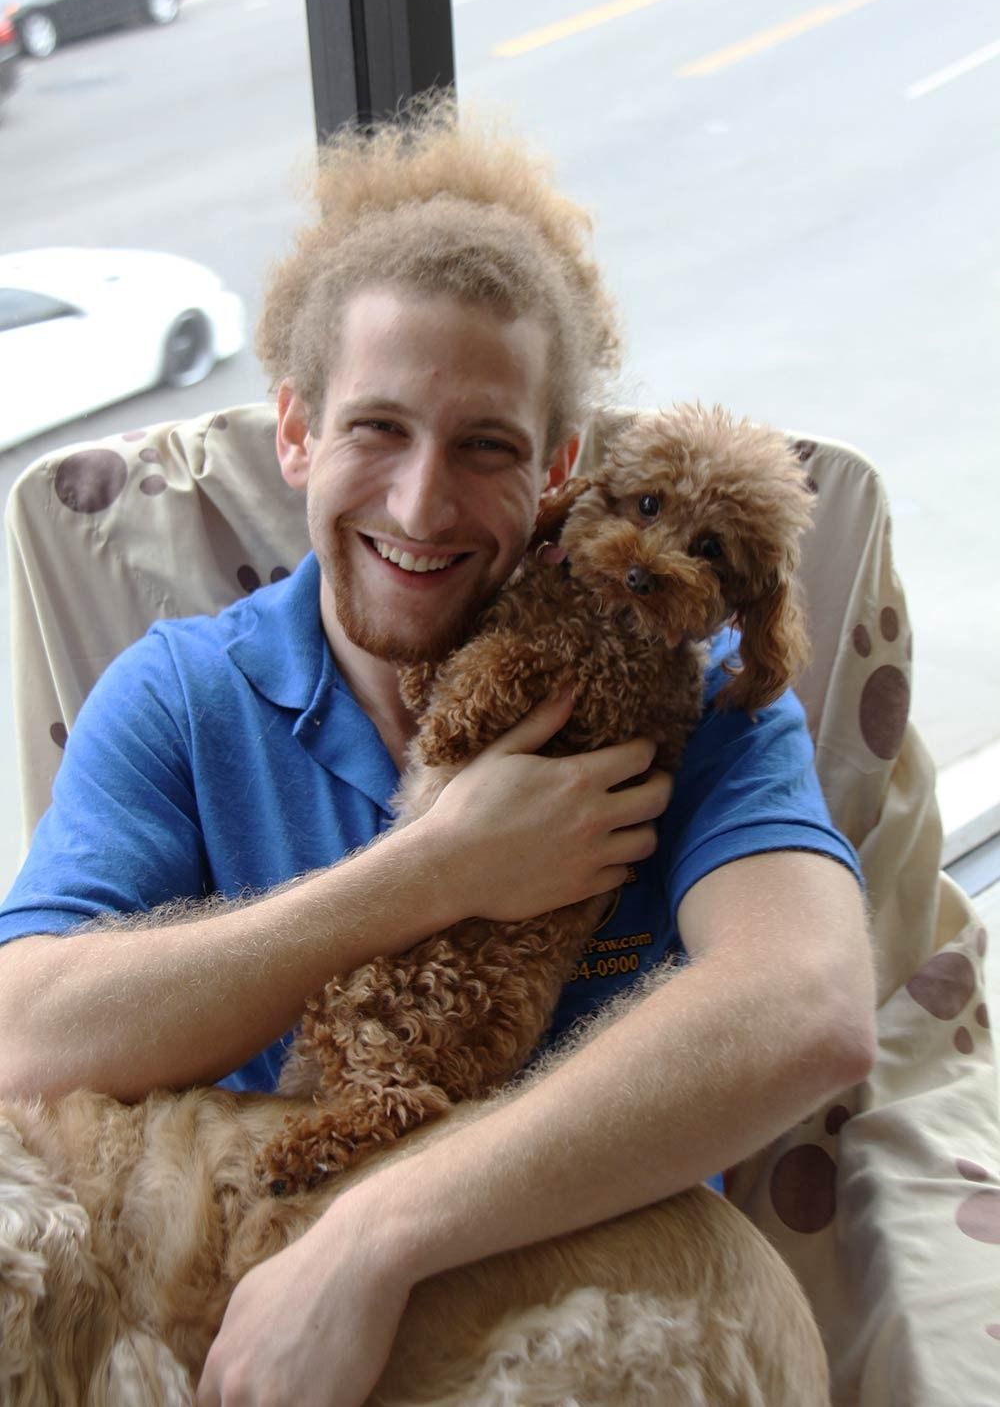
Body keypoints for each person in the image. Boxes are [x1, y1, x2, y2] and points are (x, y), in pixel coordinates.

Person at [0, 102, 875, 1407]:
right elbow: (22, 1035)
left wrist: (377, 1239)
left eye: (486, 449)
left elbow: (808, 1008)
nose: (420, 506)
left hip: (596, 1333)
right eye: (375, 429)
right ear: (295, 430)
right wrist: (437, 867)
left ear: (562, 470)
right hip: (240, 1305)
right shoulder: (180, 696)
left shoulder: (691, 697)